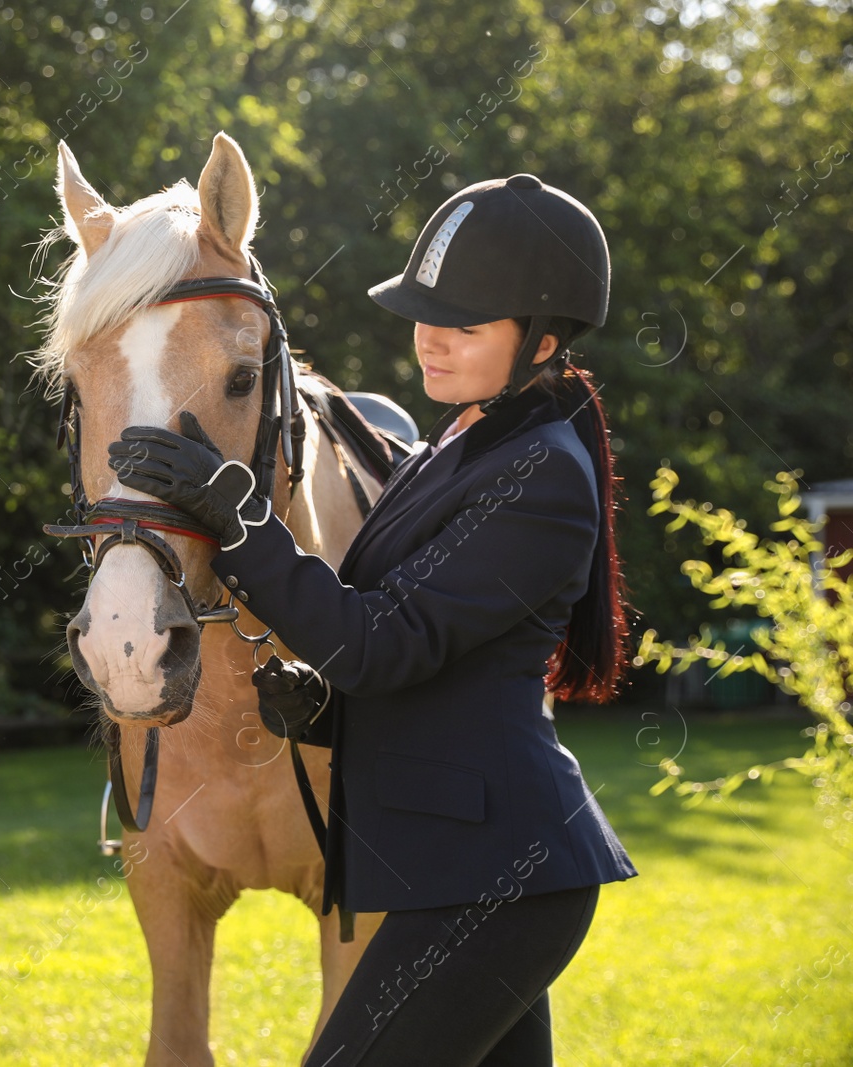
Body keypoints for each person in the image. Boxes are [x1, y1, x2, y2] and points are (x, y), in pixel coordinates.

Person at [107, 174, 638, 1065]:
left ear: (544, 340)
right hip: (453, 870)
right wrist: (323, 702)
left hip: (496, 880)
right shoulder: (453, 445)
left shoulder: (539, 475)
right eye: (425, 311)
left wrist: (238, 520)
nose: (430, 337)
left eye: (464, 324)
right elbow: (412, 646)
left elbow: (384, 644)